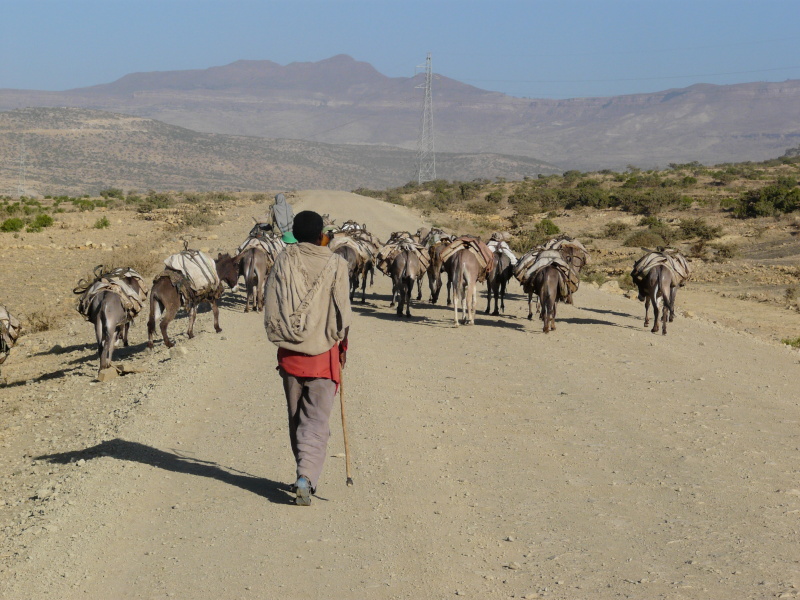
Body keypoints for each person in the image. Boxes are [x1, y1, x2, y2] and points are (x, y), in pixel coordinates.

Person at [263, 210, 352, 506]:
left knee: (296, 418)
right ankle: (306, 476)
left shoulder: (282, 260)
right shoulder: (337, 264)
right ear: (320, 236)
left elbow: (273, 305)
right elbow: (342, 314)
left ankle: (303, 472)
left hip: (290, 355)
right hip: (324, 357)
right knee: (315, 421)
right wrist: (342, 347)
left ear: (295, 235)